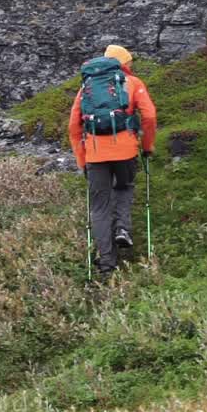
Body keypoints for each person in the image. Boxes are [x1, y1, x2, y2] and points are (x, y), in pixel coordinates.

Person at [69, 44, 157, 276]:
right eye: (129, 62)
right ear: (123, 64)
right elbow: (149, 116)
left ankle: (107, 263)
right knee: (124, 187)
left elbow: (73, 127)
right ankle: (122, 229)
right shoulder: (134, 84)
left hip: (95, 155)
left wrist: (82, 160)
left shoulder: (86, 88)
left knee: (99, 207)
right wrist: (147, 146)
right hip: (126, 151)